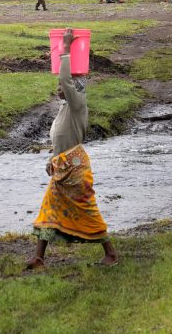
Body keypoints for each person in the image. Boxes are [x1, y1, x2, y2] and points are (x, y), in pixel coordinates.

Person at [27, 29, 118, 269]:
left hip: (75, 168)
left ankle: (110, 253)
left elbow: (67, 82)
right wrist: (52, 158)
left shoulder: (78, 104)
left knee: (86, 209)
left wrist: (65, 51)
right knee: (49, 208)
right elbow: (60, 138)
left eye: (63, 85)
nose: (59, 87)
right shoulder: (66, 108)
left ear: (75, 88)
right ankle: (38, 257)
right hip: (63, 166)